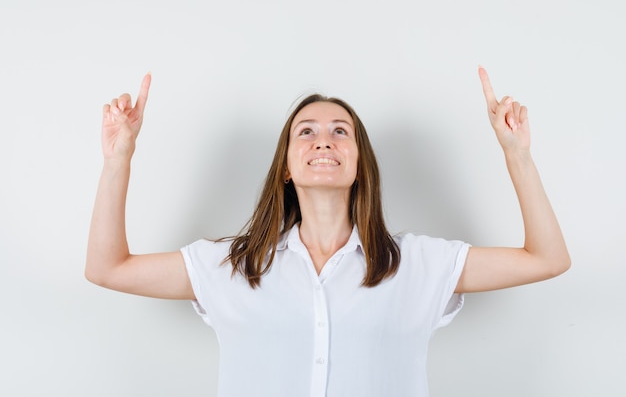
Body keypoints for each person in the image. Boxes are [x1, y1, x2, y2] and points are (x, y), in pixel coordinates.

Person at [86, 67, 570, 397]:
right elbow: (108, 269)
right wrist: (119, 160)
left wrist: (516, 153)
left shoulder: (419, 264)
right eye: (306, 131)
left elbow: (547, 259)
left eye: (341, 131)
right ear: (286, 169)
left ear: (361, 164)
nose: (323, 139)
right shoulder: (232, 267)